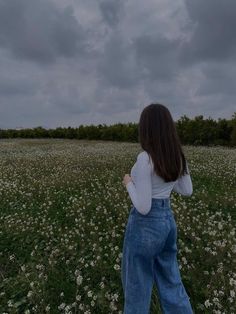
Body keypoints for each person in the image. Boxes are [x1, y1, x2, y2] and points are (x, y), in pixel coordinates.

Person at [122, 103, 194, 314]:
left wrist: (128, 183)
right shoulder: (177, 156)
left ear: (146, 129)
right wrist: (166, 185)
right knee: (171, 279)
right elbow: (186, 189)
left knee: (137, 285)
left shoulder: (145, 158)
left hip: (145, 225)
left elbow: (143, 207)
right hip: (167, 222)